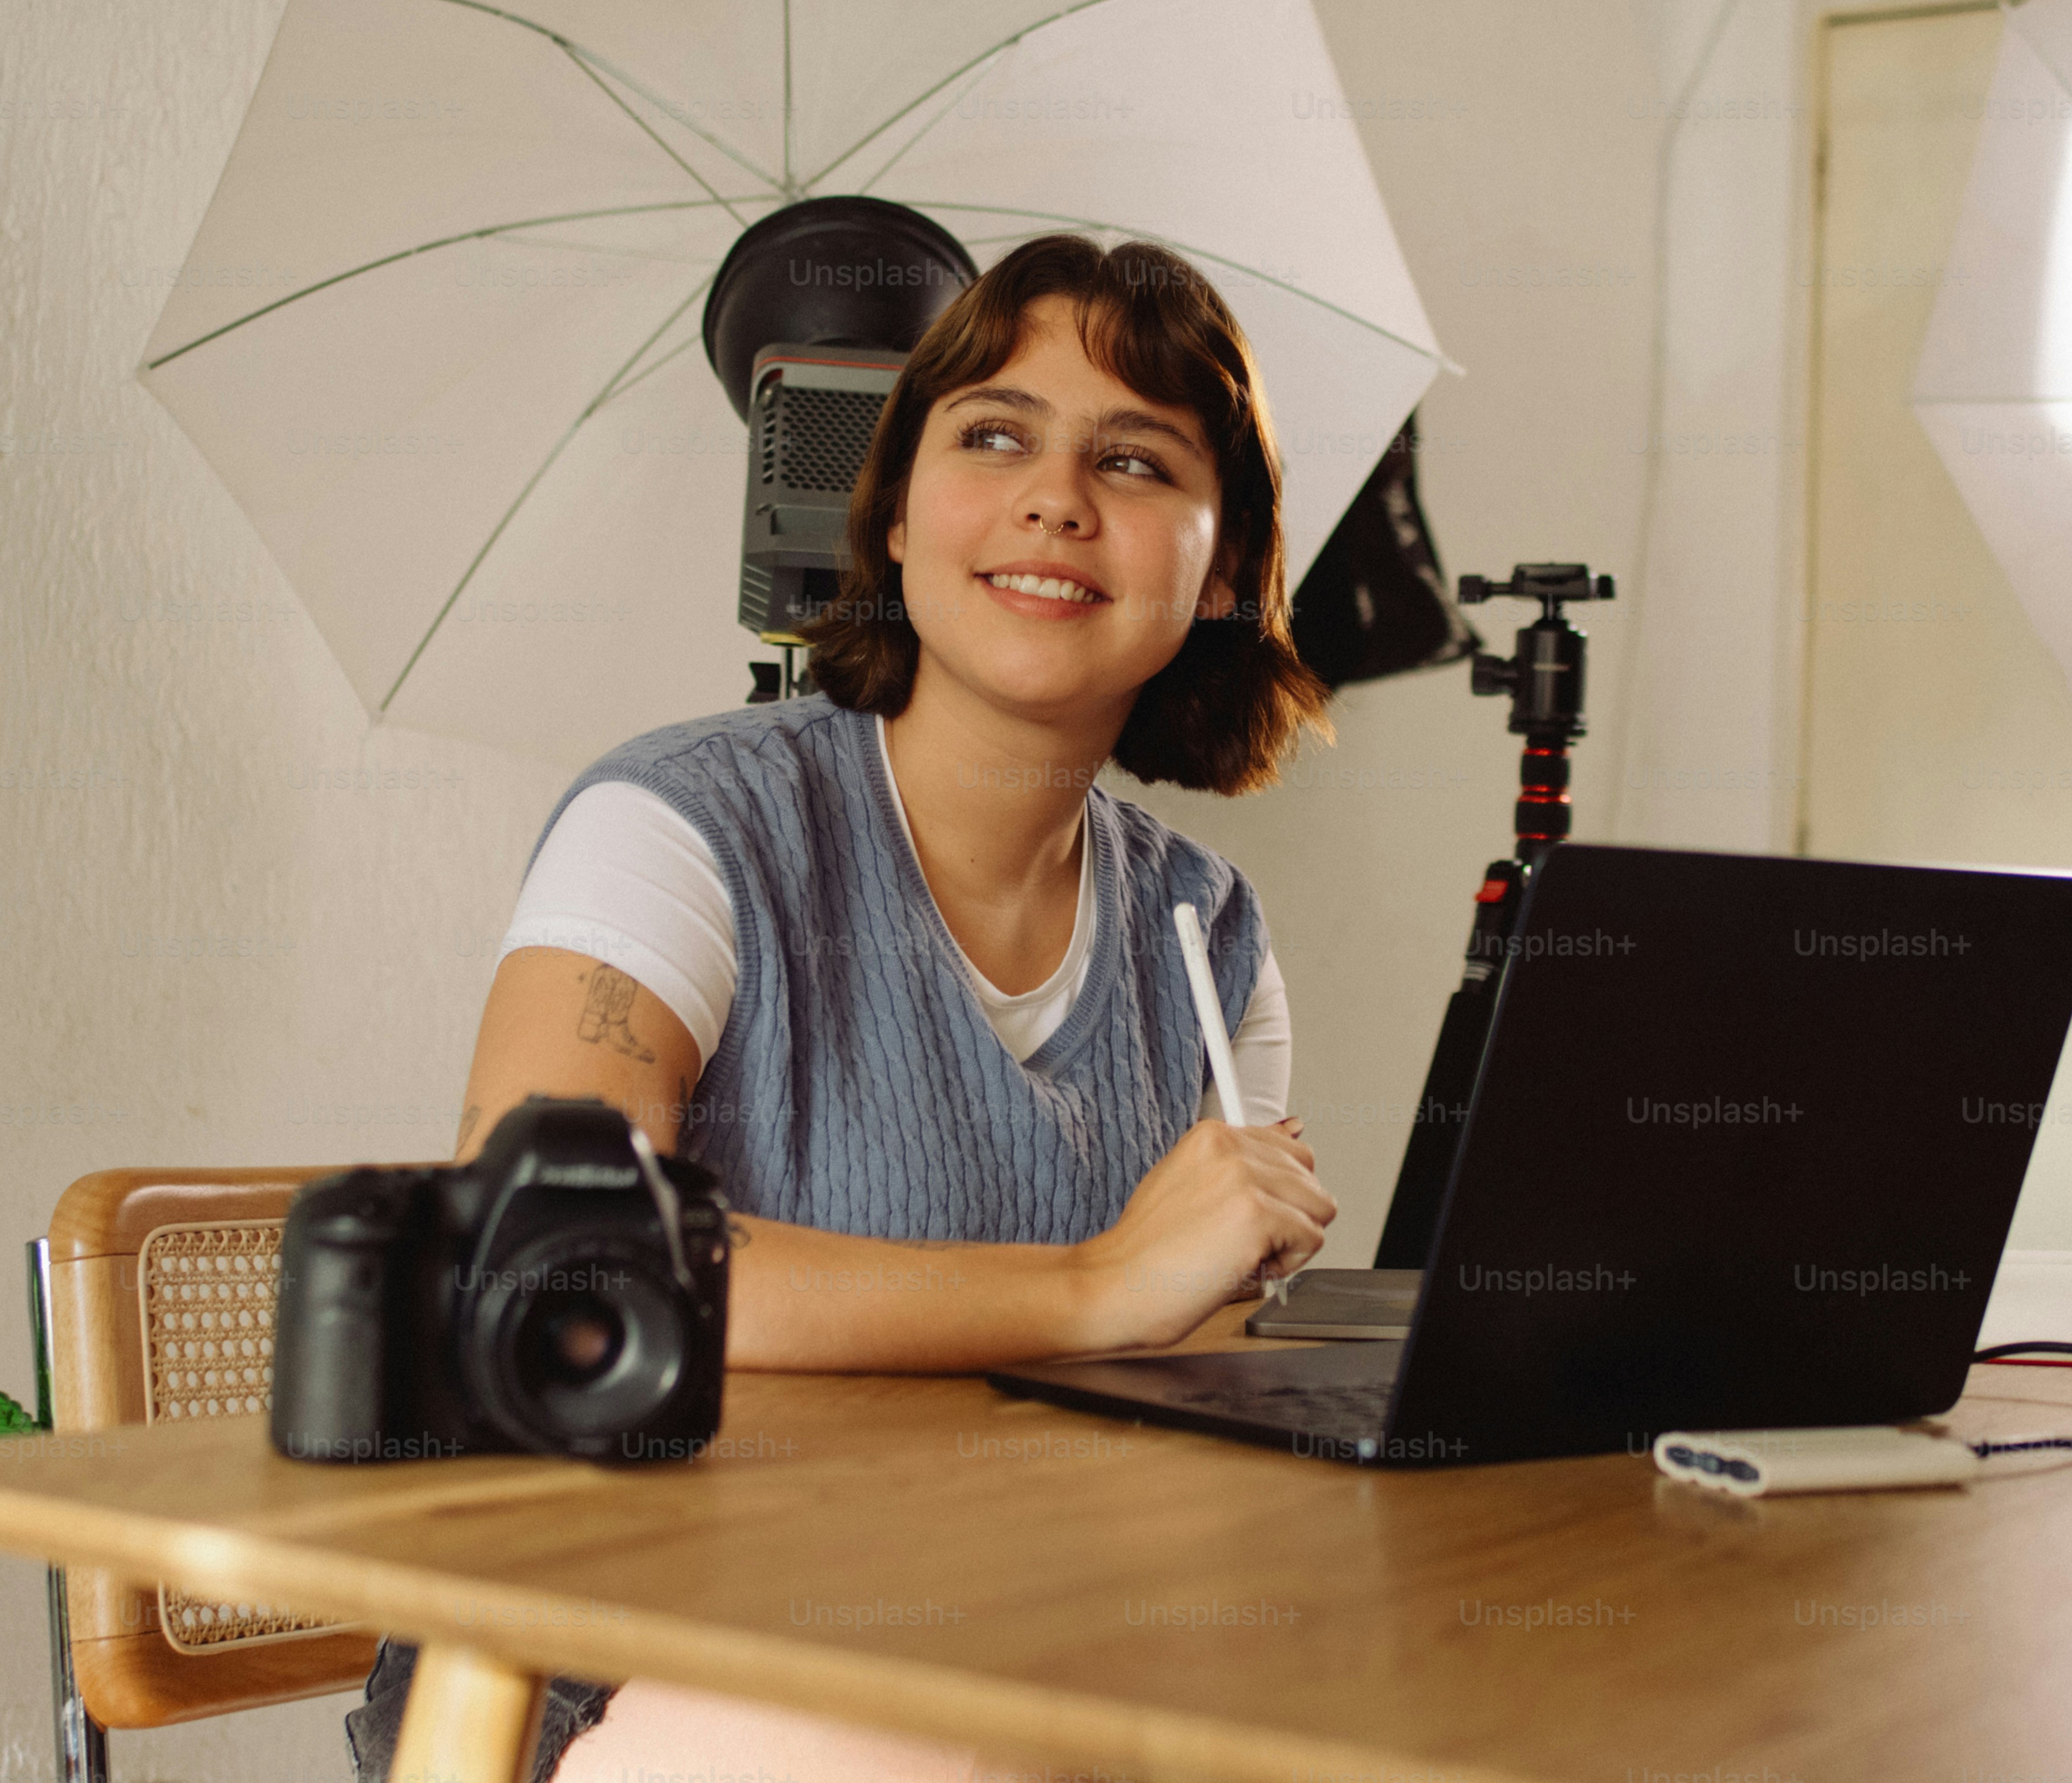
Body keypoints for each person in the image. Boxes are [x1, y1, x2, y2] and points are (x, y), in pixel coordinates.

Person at [346, 234, 1339, 1783]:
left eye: (1135, 460)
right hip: (607, 1665)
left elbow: (1189, 1372)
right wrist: (1089, 1288)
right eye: (994, 435)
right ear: (886, 514)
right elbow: (547, 1267)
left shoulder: (1205, 933)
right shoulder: (681, 826)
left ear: (1224, 572)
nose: (1055, 499)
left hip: (1027, 1639)